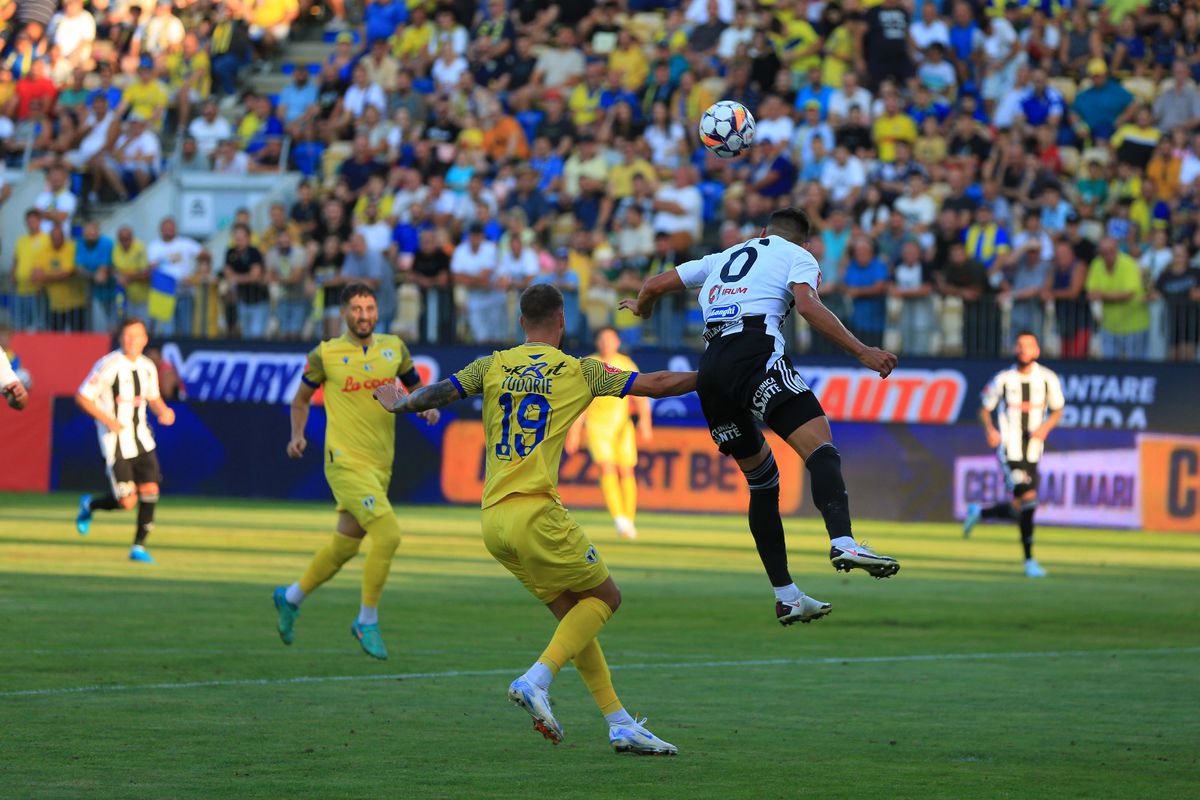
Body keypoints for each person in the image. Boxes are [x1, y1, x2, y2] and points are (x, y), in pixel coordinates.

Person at [371, 284, 693, 754]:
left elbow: (438, 393)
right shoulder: (580, 371)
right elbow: (657, 385)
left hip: (493, 520)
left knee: (573, 616)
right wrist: (717, 375)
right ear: (562, 321)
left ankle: (619, 722)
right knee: (606, 597)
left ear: (521, 322)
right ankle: (536, 679)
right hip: (536, 510)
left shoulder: (493, 364)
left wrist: (400, 403)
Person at [620, 207, 900, 627]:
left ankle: (786, 595)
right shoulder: (798, 255)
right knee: (821, 447)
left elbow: (655, 283)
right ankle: (843, 541)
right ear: (803, 241)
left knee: (763, 483)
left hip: (712, 368)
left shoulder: (723, 256)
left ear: (763, 231)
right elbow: (806, 306)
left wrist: (642, 308)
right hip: (754, 352)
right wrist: (863, 352)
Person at [274, 284, 439, 661]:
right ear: (344, 313)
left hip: (381, 464)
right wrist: (297, 435)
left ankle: (290, 597)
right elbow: (300, 400)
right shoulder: (325, 354)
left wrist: (427, 407)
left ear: (377, 312)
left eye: (369, 308)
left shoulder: (394, 348)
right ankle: (366, 619)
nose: (363, 314)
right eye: (355, 308)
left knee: (345, 546)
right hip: (344, 462)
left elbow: (418, 390)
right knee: (388, 534)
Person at [74, 318, 176, 564]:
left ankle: (138, 547)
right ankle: (90, 504)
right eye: (128, 336)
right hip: (115, 442)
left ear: (145, 339)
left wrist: (163, 411)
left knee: (151, 490)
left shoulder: (148, 367)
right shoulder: (108, 365)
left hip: (142, 439)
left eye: (137, 335)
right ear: (121, 338)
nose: (132, 340)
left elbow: (153, 397)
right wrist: (107, 420)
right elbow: (83, 396)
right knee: (127, 501)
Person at [964, 332, 1064, 578]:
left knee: (1023, 505)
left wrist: (1044, 428)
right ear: (1014, 350)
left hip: (1033, 450)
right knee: (1028, 498)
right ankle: (1029, 562)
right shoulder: (1004, 379)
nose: (1023, 349)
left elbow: (1058, 409)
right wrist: (990, 430)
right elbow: (984, 409)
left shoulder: (1048, 379)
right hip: (1009, 448)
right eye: (1019, 345)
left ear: (1037, 350)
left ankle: (980, 512)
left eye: (1028, 345)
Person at [565, 327, 651, 539]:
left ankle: (629, 519)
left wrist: (645, 422)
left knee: (627, 471)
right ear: (597, 343)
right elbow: (579, 404)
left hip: (622, 426)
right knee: (606, 468)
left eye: (610, 339)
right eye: (602, 339)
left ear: (617, 342)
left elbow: (641, 396)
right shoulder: (588, 365)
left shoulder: (625, 363)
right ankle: (619, 519)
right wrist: (574, 433)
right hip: (597, 425)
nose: (606, 343)